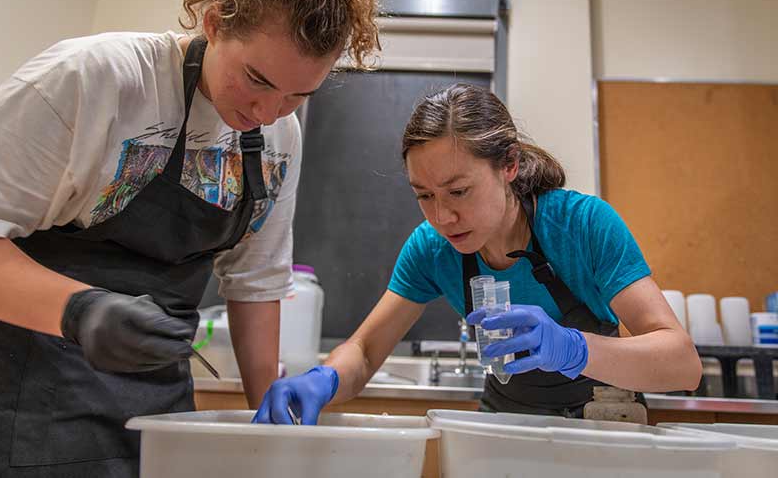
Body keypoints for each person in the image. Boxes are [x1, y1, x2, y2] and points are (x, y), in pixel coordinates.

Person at [0, 0, 380, 475]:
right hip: (25, 407)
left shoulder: (280, 136)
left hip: (159, 417)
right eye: (257, 80)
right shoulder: (96, 81)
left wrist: (276, 429)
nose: (266, 112)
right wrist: (79, 309)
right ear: (214, 23)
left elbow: (255, 284)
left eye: (296, 94)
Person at [254, 83, 702, 425]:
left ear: (508, 165)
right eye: (424, 195)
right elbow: (367, 351)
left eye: (459, 191)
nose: (442, 217)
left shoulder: (582, 226)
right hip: (503, 432)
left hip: (600, 429)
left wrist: (571, 348)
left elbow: (682, 365)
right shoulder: (432, 250)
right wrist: (325, 379)